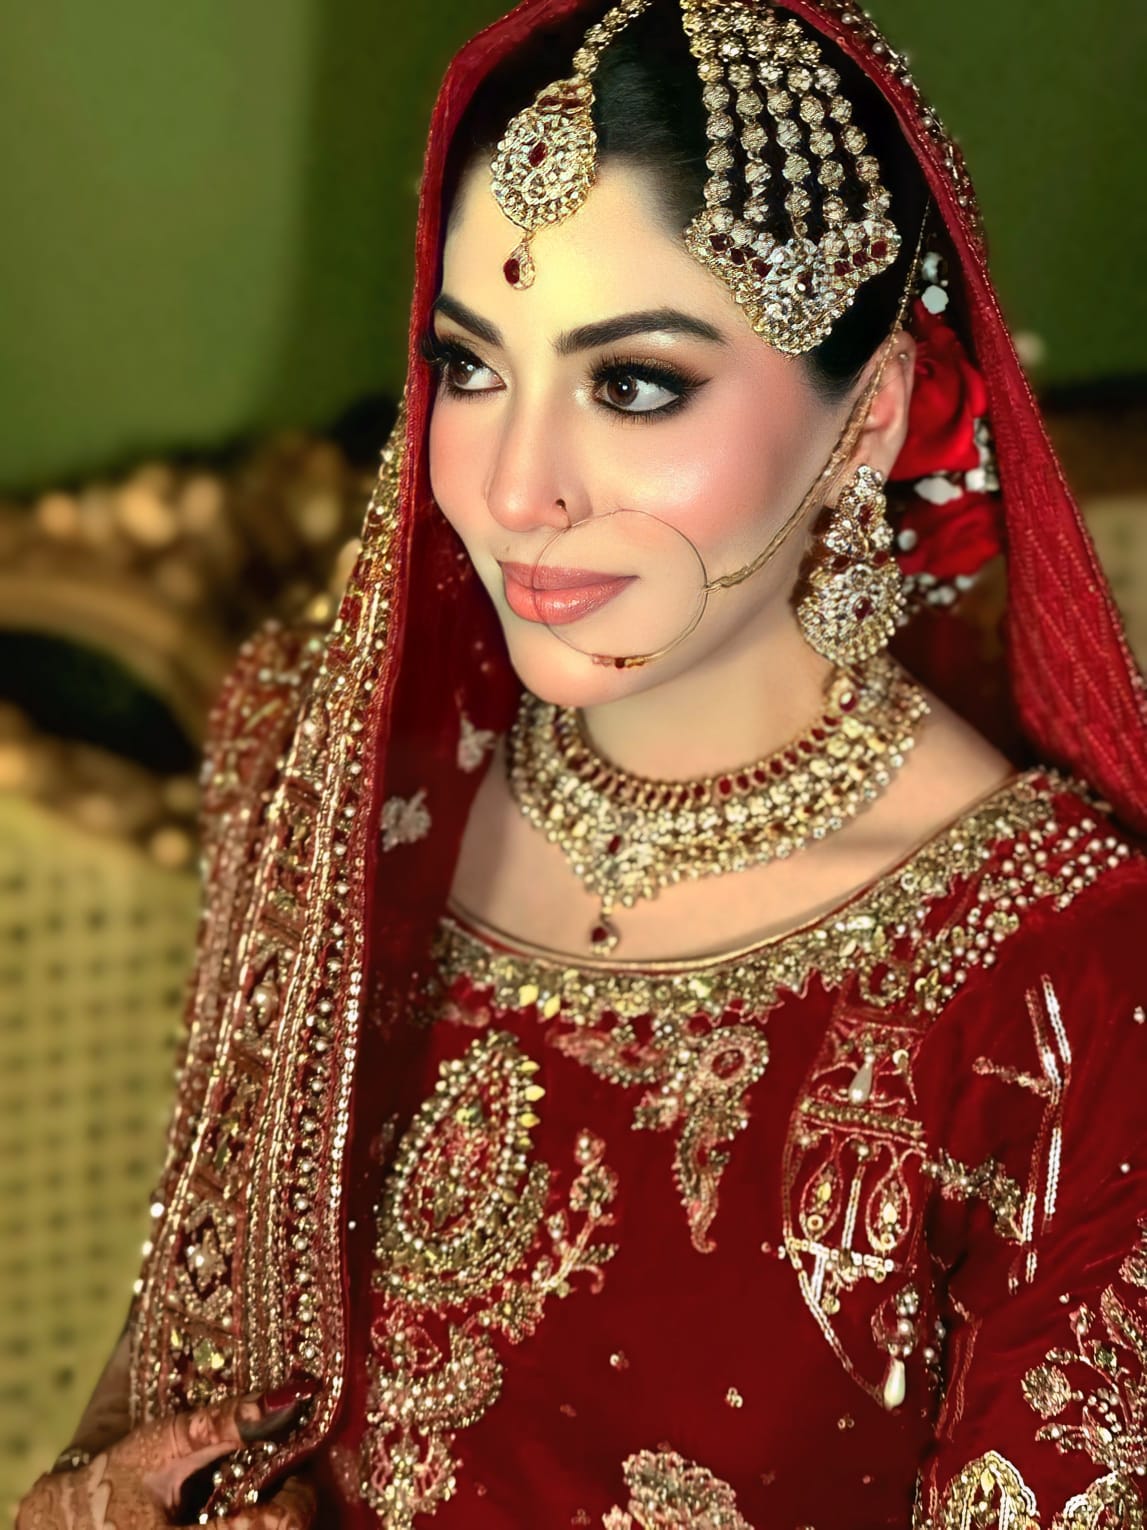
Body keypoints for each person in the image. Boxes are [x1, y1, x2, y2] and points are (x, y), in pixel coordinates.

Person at [18, 0, 1147, 1525]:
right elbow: (177, 1386)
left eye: (632, 384)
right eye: (469, 368)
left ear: (867, 415)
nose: (513, 485)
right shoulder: (336, 774)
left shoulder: (1061, 975)